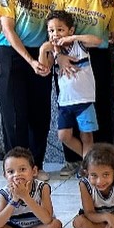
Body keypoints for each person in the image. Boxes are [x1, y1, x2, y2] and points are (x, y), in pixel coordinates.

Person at [53, 0, 114, 176]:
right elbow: (52, 28)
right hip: (67, 56)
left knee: (98, 109)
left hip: (97, 58)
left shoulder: (111, 0)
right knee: (69, 105)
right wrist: (59, 57)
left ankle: (101, 160)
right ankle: (73, 161)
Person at [0, 0, 57, 181]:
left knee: (40, 116)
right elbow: (7, 29)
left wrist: (47, 57)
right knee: (14, 116)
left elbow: (55, 31)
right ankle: (15, 169)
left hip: (41, 55)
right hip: (12, 55)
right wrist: (29, 60)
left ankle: (35, 166)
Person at [38, 10, 102, 161]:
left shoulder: (80, 45)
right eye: (51, 31)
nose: (55, 34)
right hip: (65, 102)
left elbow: (97, 41)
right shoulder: (54, 53)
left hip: (84, 100)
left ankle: (88, 166)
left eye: (60, 30)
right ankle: (89, 161)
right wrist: (43, 50)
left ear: (70, 30)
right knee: (64, 135)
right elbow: (44, 70)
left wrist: (74, 38)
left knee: (87, 136)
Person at [0, 147, 67, 228]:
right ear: (5, 175)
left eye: (22, 169)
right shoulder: (4, 194)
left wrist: (26, 197)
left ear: (34, 171)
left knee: (56, 224)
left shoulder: (42, 188)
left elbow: (47, 219)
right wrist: (15, 200)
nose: (16, 174)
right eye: (11, 172)